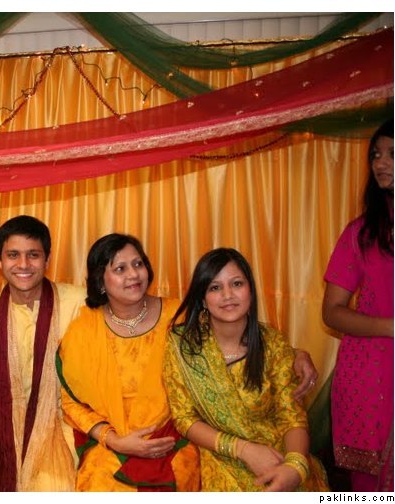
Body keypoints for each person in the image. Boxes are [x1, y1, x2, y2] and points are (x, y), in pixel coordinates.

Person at [164, 247, 329, 491]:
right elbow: (184, 418)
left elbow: (291, 416)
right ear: (203, 300)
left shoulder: (273, 344)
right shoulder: (184, 347)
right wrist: (242, 449)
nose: (228, 295)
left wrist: (295, 466)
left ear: (250, 290)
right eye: (215, 287)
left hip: (277, 454)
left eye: (237, 284)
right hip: (220, 455)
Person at [57, 233, 201, 491]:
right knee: (99, 482)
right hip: (112, 442)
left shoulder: (179, 316)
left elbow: (216, 362)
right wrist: (112, 439)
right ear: (101, 280)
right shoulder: (84, 330)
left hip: (174, 436)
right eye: (120, 269)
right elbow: (71, 402)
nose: (133, 274)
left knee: (182, 475)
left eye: (138, 264)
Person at [0, 215, 85, 491]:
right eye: (13, 255)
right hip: (3, 427)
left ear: (47, 259)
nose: (23, 264)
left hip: (64, 426)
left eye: (33, 255)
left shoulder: (78, 305)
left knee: (54, 487)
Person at [322, 119, 393, 492]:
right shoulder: (360, 233)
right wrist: (390, 326)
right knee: (370, 485)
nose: (381, 163)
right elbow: (331, 311)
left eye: (393, 154)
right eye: (376, 155)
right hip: (370, 371)